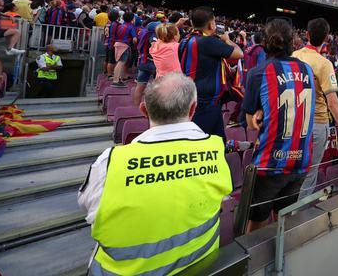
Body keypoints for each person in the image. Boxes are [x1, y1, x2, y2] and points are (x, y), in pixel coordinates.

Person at [78, 73, 232, 275]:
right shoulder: (214, 149)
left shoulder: (110, 163)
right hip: (201, 266)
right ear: (193, 109)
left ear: (144, 110)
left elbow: (87, 207)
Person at [242, 19, 315, 231]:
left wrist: (259, 112)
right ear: (292, 41)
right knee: (285, 218)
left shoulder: (259, 72)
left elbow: (251, 123)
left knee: (257, 223)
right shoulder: (308, 70)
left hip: (270, 163)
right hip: (301, 160)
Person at [292, 18, 338, 198]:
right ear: (326, 38)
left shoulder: (293, 56)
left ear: (306, 34)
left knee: (293, 172)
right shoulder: (324, 64)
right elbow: (333, 103)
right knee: (309, 175)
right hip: (316, 123)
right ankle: (296, 218)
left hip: (294, 121)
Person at [179, 6, 243, 138]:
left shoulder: (186, 39)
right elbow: (239, 53)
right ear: (211, 24)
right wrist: (227, 40)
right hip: (206, 101)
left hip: (192, 96)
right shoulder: (209, 42)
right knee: (204, 142)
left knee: (219, 140)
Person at [132, 21, 159, 106]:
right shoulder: (153, 35)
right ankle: (152, 109)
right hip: (152, 63)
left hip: (143, 61)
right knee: (156, 88)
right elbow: (154, 45)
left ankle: (136, 107)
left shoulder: (144, 33)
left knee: (140, 86)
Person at [112, 11, 137, 87]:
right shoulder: (131, 26)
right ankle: (116, 80)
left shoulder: (120, 25)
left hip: (117, 44)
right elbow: (134, 39)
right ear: (132, 18)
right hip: (124, 45)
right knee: (121, 62)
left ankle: (119, 79)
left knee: (119, 62)